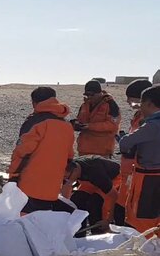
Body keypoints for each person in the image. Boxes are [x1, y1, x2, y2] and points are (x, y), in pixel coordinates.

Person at [6, 87, 74, 215]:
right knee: (41, 223)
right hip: (52, 189)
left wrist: (13, 176)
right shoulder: (67, 126)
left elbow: (22, 152)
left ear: (34, 102)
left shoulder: (36, 122)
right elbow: (69, 157)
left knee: (23, 222)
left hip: (29, 185)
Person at [118, 84, 160, 235]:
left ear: (149, 103)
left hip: (148, 177)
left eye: (142, 103)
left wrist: (124, 139)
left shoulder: (152, 125)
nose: (140, 107)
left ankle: (144, 244)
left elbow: (126, 143)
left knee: (142, 217)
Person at [61, 156, 122, 233]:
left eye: (67, 177)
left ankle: (98, 232)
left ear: (76, 170)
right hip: (90, 182)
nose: (67, 180)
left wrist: (109, 220)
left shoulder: (96, 173)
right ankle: (78, 233)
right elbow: (66, 187)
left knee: (95, 203)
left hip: (113, 179)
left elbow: (114, 196)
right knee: (76, 200)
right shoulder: (71, 170)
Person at [73, 80, 120, 157]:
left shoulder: (110, 105)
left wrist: (90, 126)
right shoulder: (84, 105)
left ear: (99, 93)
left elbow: (112, 125)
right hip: (84, 150)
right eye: (87, 95)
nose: (89, 97)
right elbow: (80, 119)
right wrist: (76, 124)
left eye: (92, 95)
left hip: (101, 151)